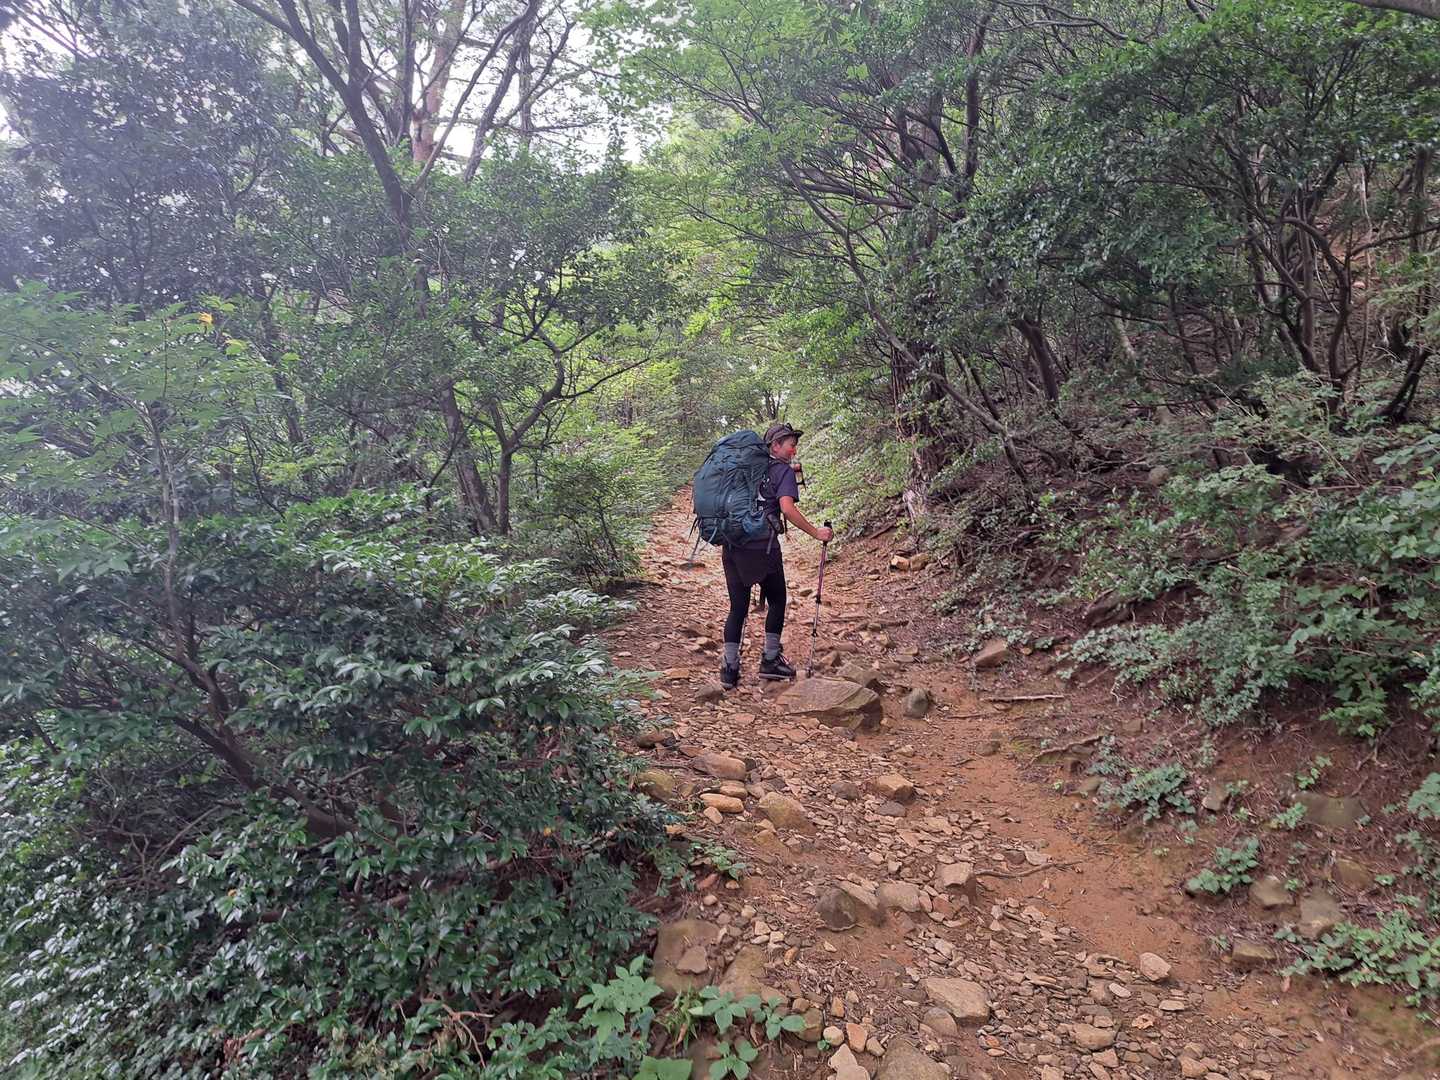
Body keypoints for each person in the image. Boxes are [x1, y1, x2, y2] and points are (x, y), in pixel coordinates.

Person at [719, 422, 834, 689]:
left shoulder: (744, 469)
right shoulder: (782, 471)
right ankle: (770, 661)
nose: (794, 450)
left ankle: (729, 669)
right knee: (778, 600)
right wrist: (816, 533)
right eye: (791, 445)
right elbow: (788, 509)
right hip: (763, 548)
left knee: (738, 608)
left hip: (733, 546)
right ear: (775, 446)